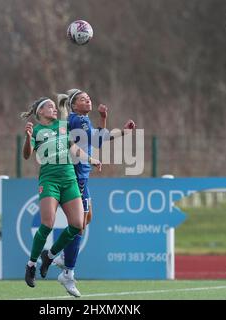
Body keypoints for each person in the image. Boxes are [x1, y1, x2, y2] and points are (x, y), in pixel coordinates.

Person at [53, 89, 135, 296]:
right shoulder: (78, 120)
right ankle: (68, 272)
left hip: (83, 176)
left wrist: (104, 118)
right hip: (77, 176)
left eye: (89, 97)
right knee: (79, 225)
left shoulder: (80, 119)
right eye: (82, 99)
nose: (88, 100)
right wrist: (123, 132)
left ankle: (63, 257)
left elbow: (96, 141)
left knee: (87, 218)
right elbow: (98, 138)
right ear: (73, 105)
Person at [20, 97, 102, 294]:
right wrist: (27, 137)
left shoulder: (63, 126)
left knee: (77, 224)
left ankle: (50, 255)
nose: (54, 108)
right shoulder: (37, 131)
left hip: (69, 179)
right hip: (49, 180)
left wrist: (91, 159)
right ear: (40, 112)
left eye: (54, 106)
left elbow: (73, 148)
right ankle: (31, 265)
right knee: (47, 224)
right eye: (49, 106)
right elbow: (26, 154)